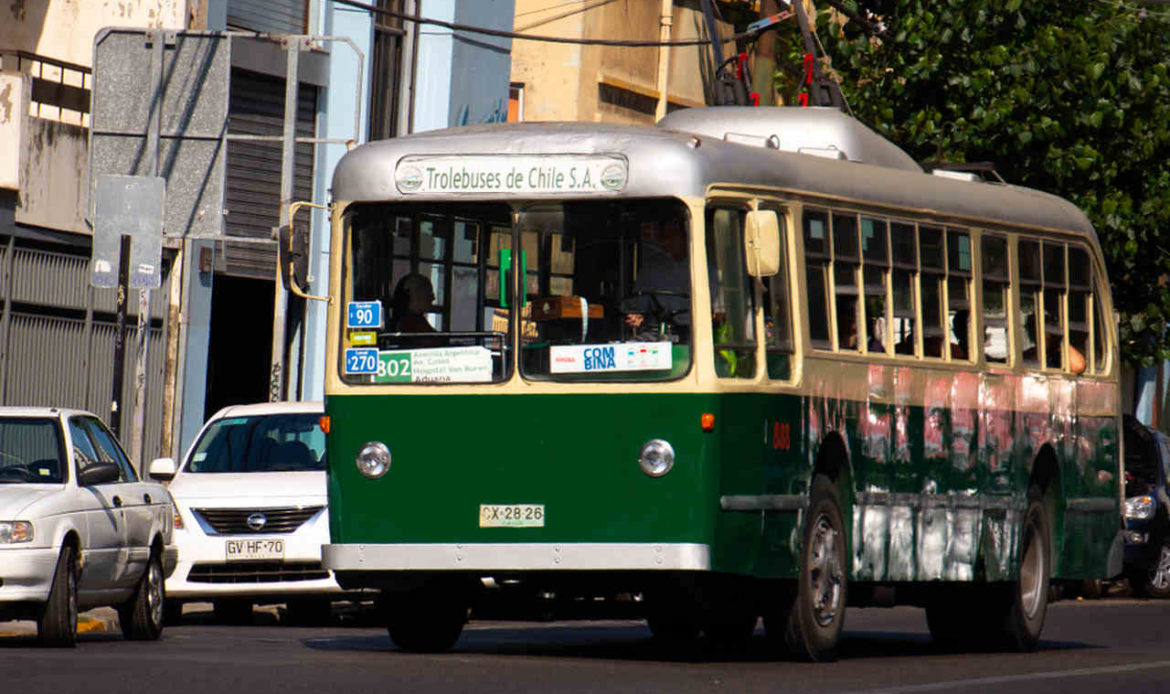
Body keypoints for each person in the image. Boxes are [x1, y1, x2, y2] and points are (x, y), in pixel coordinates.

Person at [622, 221, 690, 341]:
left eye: (671, 236)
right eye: (663, 237)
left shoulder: (705, 267)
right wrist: (637, 315)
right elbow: (638, 305)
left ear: (685, 237)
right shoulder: (651, 267)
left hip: (694, 332)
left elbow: (718, 311)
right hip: (654, 332)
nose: (666, 242)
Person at [388, 273, 443, 347]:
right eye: (428, 292)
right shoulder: (409, 323)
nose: (433, 298)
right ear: (414, 295)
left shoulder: (416, 321)